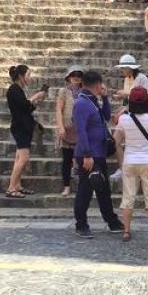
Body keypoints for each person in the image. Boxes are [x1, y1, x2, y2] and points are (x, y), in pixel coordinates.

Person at [71, 70, 124, 239]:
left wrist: (106, 98)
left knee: (103, 189)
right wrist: (87, 154)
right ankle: (81, 224)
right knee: (85, 191)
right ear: (98, 84)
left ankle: (112, 221)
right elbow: (81, 130)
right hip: (89, 154)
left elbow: (106, 116)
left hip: (98, 152)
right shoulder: (81, 103)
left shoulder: (93, 101)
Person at [113, 86, 148, 243]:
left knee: (128, 197)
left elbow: (116, 140)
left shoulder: (124, 120)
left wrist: (121, 162)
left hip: (130, 160)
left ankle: (126, 231)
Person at [5, 64, 47, 198]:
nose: (29, 78)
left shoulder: (18, 89)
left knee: (19, 157)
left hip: (23, 126)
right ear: (20, 76)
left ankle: (17, 185)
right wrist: (35, 96)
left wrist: (37, 100)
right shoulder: (14, 89)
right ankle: (11, 187)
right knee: (23, 158)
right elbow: (24, 105)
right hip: (20, 127)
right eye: (28, 75)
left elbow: (27, 108)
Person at [111, 54, 148, 180]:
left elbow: (143, 97)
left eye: (123, 68)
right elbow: (127, 101)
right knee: (115, 141)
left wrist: (125, 94)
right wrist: (121, 107)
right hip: (128, 114)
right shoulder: (127, 79)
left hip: (139, 114)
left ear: (130, 68)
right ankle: (123, 168)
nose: (121, 70)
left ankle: (131, 169)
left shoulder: (142, 78)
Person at [54, 65, 85, 196]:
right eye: (73, 75)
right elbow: (59, 110)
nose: (76, 78)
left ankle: (84, 186)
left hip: (81, 129)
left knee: (82, 159)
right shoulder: (63, 91)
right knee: (67, 159)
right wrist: (60, 127)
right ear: (69, 77)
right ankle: (66, 186)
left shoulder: (85, 91)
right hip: (67, 128)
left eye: (78, 75)